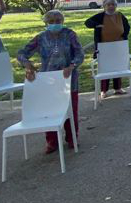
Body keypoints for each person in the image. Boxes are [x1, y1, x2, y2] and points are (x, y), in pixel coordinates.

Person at [18, 10, 84, 154]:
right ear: (46, 23)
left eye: (58, 21)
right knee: (49, 111)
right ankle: (52, 141)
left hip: (68, 78)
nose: (55, 24)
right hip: (48, 80)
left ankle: (73, 138)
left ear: (62, 21)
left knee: (71, 109)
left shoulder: (70, 34)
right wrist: (27, 65)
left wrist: (72, 65)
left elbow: (80, 53)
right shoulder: (41, 38)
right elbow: (22, 53)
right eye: (52, 22)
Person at [84, 0, 130, 98]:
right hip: (104, 46)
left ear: (116, 6)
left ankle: (117, 88)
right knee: (105, 68)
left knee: (117, 66)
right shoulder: (100, 16)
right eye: (108, 5)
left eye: (113, 4)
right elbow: (87, 23)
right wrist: (97, 25)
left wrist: (123, 36)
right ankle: (103, 90)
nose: (111, 7)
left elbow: (127, 27)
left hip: (118, 45)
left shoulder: (120, 15)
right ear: (104, 6)